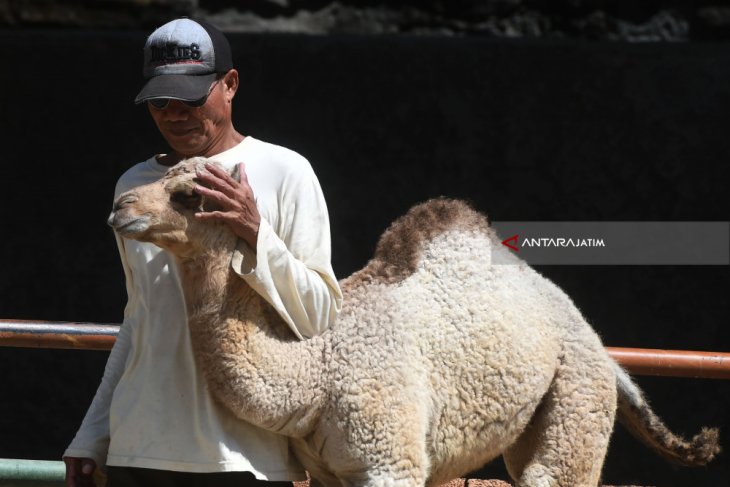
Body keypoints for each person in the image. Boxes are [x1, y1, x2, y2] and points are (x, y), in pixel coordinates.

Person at [63, 17, 342, 487]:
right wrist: (92, 438)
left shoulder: (284, 172)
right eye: (159, 100)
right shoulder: (136, 187)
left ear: (229, 85)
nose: (173, 113)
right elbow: (139, 321)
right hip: (139, 453)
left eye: (190, 97)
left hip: (244, 459)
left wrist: (256, 234)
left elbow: (322, 318)